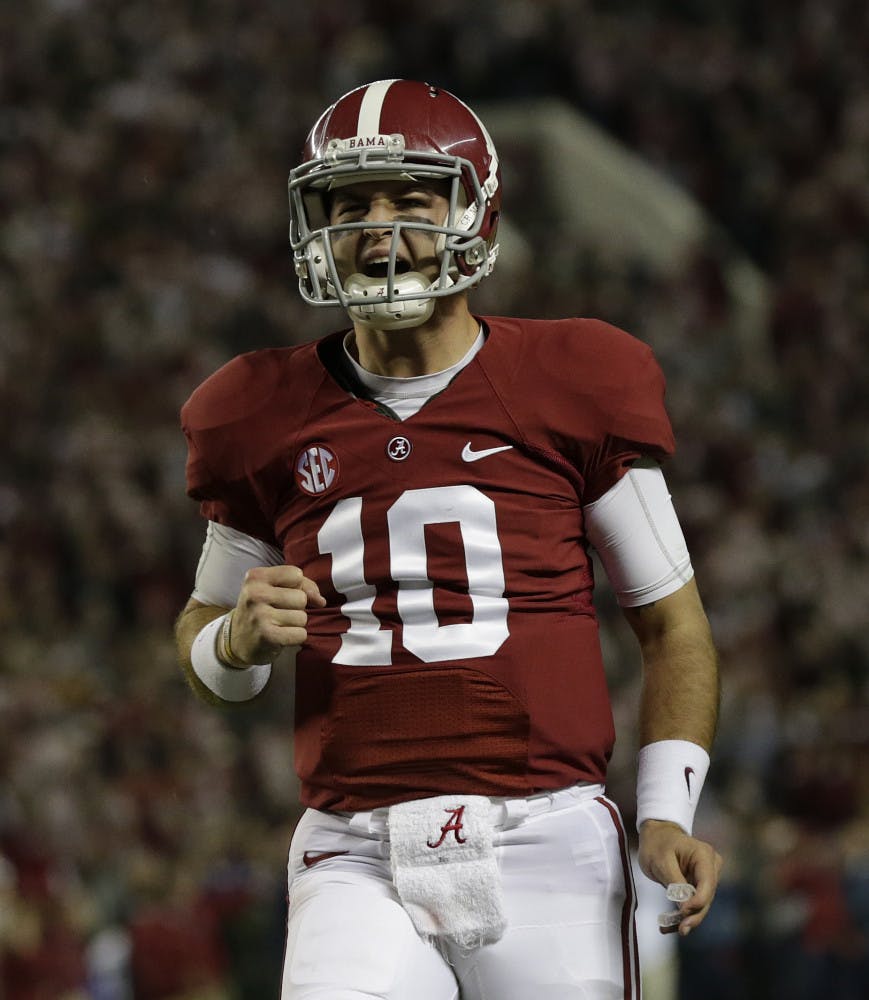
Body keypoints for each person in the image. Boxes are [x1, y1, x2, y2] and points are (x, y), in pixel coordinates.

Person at [175, 78, 722, 1000]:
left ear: (476, 213)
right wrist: (231, 643)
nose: (379, 230)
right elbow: (204, 642)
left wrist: (665, 814)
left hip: (547, 836)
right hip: (354, 845)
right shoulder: (256, 411)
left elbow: (673, 626)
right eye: (351, 205)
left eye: (411, 200)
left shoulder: (571, 380)